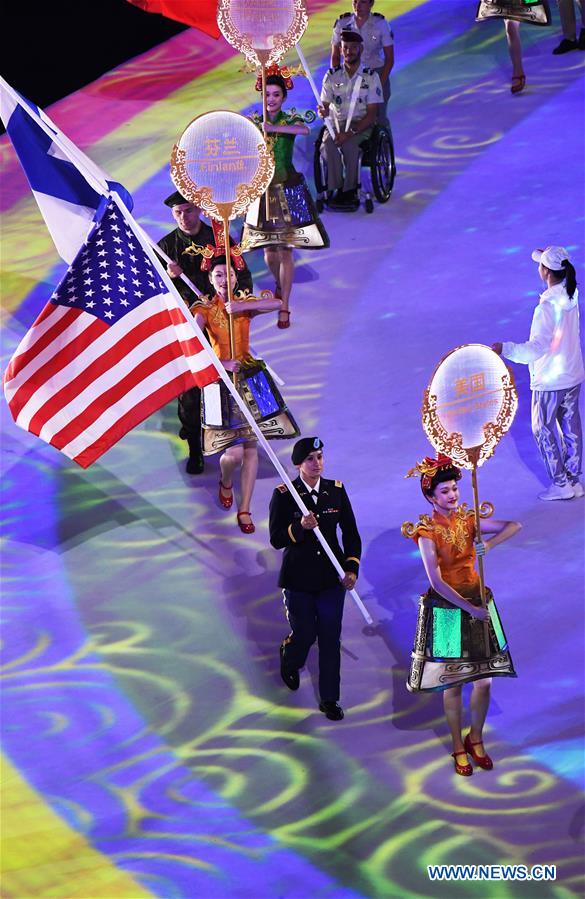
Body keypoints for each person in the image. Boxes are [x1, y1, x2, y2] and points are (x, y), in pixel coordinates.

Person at [402, 455, 520, 776]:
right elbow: (435, 581)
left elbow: (514, 526)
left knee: (485, 682)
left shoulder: (468, 520)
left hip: (478, 601)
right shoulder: (427, 532)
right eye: (445, 491)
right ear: (431, 497)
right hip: (449, 612)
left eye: (454, 488)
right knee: (453, 685)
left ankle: (476, 738)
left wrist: (489, 545)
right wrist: (471, 609)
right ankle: (457, 745)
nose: (452, 495)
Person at [193, 257, 293, 533]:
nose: (225, 280)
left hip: (250, 377)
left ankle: (245, 508)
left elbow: (276, 303)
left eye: (229, 275)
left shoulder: (244, 303)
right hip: (221, 380)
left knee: (252, 448)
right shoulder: (203, 308)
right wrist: (221, 364)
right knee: (233, 455)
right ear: (211, 280)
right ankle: (226, 481)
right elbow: (189, 346)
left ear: (237, 278)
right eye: (218, 276)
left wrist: (243, 306)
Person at [158, 191, 253, 474]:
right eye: (178, 213)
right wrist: (168, 276)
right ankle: (195, 448)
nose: (184, 217)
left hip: (220, 325)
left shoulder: (220, 239)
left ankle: (230, 436)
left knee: (228, 383)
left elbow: (242, 275)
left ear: (198, 210)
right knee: (191, 387)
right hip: (188, 326)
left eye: (188, 211)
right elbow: (157, 291)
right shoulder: (166, 246)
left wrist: (237, 304)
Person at [269, 437, 362, 721]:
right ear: (298, 464)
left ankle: (330, 698)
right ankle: (290, 657)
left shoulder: (336, 491)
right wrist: (299, 526)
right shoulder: (285, 495)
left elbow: (351, 533)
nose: (317, 463)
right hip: (298, 580)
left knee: (330, 639)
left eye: (320, 456)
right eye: (310, 458)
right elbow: (276, 539)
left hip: (331, 580)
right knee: (306, 634)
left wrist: (351, 568)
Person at [492, 247, 584, 501]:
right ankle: (574, 480)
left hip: (551, 381)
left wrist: (505, 349)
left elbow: (536, 349)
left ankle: (561, 483)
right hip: (573, 374)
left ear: (545, 272)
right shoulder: (571, 294)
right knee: (571, 426)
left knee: (542, 428)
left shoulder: (545, 309)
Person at [241, 70, 329, 330]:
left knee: (285, 249)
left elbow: (304, 127)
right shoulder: (254, 121)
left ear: (284, 96)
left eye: (276, 95)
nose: (271, 99)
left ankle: (285, 305)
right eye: (267, 94)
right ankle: (280, 283)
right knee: (269, 251)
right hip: (262, 191)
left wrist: (275, 128)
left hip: (287, 189)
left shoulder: (289, 119)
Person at [319, 30, 382, 210]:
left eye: (353, 48)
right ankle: (335, 188)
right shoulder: (332, 76)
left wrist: (351, 133)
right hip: (337, 124)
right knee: (328, 145)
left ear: (360, 49)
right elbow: (324, 104)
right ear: (340, 50)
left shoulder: (371, 77)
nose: (349, 51)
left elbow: (372, 114)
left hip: (361, 125)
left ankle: (350, 190)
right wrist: (322, 110)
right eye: (345, 48)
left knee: (350, 145)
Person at [331, 0, 394, 127]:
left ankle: (386, 146)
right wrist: (337, 79)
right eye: (355, 2)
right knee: (347, 120)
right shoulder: (342, 23)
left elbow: (389, 59)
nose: (357, 6)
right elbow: (335, 55)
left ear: (371, 4)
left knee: (378, 121)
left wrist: (377, 86)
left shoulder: (380, 24)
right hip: (349, 75)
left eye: (363, 2)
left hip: (375, 74)